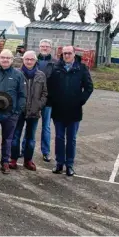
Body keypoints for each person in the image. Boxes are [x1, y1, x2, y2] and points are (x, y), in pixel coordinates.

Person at [48, 46, 93, 177]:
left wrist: (80, 101)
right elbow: (50, 87)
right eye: (64, 53)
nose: (66, 55)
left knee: (71, 139)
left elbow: (89, 88)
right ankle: (59, 164)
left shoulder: (82, 68)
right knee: (59, 138)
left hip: (74, 111)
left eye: (69, 53)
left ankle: (70, 165)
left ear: (74, 54)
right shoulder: (56, 68)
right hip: (58, 110)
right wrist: (53, 101)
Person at [10, 51, 47, 171]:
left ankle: (28, 160)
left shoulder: (41, 75)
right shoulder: (17, 73)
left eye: (31, 59)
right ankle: (13, 159)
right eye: (27, 59)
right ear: (23, 60)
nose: (29, 61)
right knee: (15, 137)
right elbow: (12, 91)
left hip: (34, 112)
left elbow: (44, 93)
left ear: (35, 61)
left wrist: (39, 105)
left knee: (30, 138)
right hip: (19, 112)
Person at [24, 38, 56, 162]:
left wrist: (47, 99)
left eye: (47, 46)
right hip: (31, 102)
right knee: (29, 127)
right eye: (42, 46)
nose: (44, 48)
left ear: (50, 48)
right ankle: (24, 149)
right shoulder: (33, 60)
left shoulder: (55, 63)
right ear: (39, 47)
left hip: (47, 101)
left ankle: (46, 152)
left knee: (46, 127)